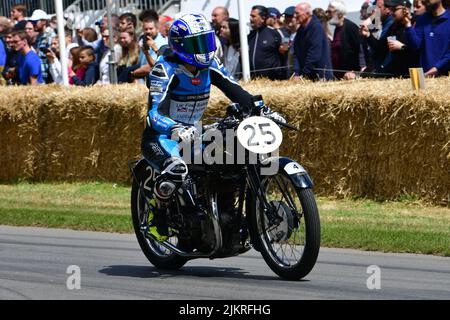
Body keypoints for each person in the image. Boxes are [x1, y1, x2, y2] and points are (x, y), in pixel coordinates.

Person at [141, 14, 285, 241]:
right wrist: (175, 128)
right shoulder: (165, 69)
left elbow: (234, 89)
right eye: (196, 43)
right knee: (178, 170)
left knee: (233, 159)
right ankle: (160, 211)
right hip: (162, 137)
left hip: (194, 133)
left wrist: (261, 109)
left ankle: (227, 215)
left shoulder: (211, 65)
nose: (203, 49)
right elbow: (154, 113)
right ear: (179, 44)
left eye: (205, 42)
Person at [361, 0, 420, 77]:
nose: (391, 13)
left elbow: (419, 50)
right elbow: (381, 48)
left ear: (405, 9)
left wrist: (402, 47)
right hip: (397, 75)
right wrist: (368, 35)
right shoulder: (393, 27)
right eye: (391, 9)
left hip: (413, 74)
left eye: (394, 9)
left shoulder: (416, 23)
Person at [402, 0, 450, 76]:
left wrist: (437, 67)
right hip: (424, 76)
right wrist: (408, 24)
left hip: (445, 77)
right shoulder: (422, 19)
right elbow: (415, 45)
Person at [293, 2, 333, 80]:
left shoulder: (316, 28)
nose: (294, 16)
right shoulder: (300, 30)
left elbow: (314, 54)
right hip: (306, 76)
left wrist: (304, 74)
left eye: (297, 13)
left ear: (307, 14)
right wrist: (296, 72)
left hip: (320, 76)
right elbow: (297, 53)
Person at [326, 0, 362, 79]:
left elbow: (361, 50)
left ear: (339, 13)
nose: (327, 14)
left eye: (329, 12)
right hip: (338, 77)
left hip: (349, 77)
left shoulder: (351, 28)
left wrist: (357, 72)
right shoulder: (337, 29)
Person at [248, 5, 284, 80]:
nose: (250, 19)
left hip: (272, 81)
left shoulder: (274, 33)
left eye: (253, 16)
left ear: (263, 18)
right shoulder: (249, 35)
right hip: (253, 82)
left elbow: (283, 55)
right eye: (250, 16)